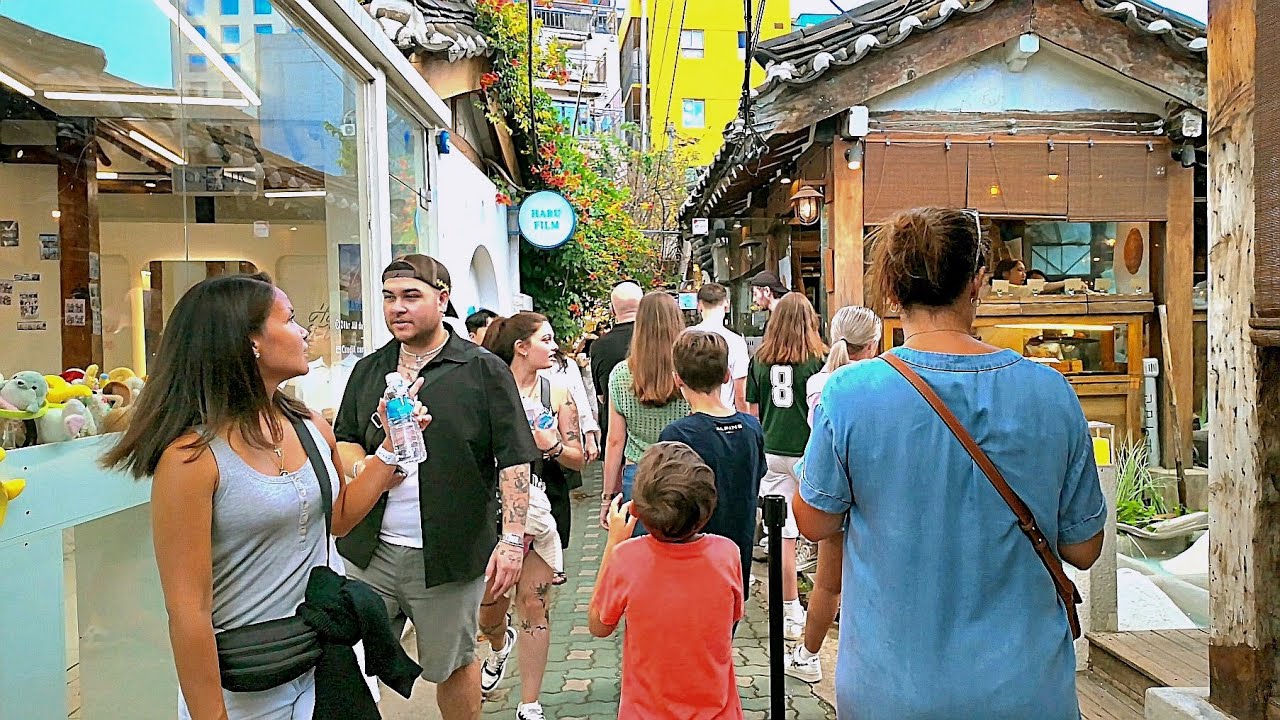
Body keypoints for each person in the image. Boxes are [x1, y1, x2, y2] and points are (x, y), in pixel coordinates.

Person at [795, 207, 1106, 719]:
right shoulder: (1050, 392)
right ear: (978, 282)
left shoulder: (849, 393)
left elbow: (814, 520)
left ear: (891, 289)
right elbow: (1084, 547)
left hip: (891, 688)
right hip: (1026, 689)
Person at [101, 273, 429, 719]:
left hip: (322, 663)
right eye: (290, 319)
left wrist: (391, 448)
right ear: (249, 342)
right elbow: (188, 610)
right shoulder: (191, 458)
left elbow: (339, 518)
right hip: (245, 684)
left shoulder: (310, 426)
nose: (304, 332)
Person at [333, 255, 539, 720]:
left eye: (411, 296)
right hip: (369, 552)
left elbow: (513, 458)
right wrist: (367, 463)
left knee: (452, 665)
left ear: (442, 299)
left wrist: (510, 541)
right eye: (389, 297)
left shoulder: (482, 369)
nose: (397, 308)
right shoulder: (370, 370)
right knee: (353, 664)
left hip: (449, 555)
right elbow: (343, 439)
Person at [477, 313, 586, 720]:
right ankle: (497, 642)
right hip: (490, 509)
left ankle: (530, 703)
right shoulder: (485, 388)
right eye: (547, 338)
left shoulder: (557, 393)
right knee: (489, 606)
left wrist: (553, 446)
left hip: (545, 507)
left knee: (534, 605)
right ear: (521, 346)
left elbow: (579, 458)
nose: (554, 345)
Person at [589, 442, 745, 720]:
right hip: (717, 711)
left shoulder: (626, 558)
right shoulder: (727, 554)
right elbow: (733, 616)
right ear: (708, 508)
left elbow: (599, 625)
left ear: (635, 510)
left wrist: (613, 543)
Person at [783, 306, 881, 684]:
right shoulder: (880, 379)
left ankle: (808, 656)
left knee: (828, 583)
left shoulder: (818, 384)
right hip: (877, 489)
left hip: (833, 488)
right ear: (873, 343)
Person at [659, 330, 765, 597]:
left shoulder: (677, 435)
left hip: (690, 559)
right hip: (736, 557)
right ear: (727, 375)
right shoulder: (751, 428)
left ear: (677, 379)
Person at [746, 292, 827, 641]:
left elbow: (752, 411)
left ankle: (789, 607)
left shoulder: (760, 359)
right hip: (809, 452)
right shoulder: (818, 359)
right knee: (826, 530)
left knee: (784, 534)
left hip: (773, 452)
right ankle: (823, 600)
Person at [601, 291, 691, 528]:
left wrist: (608, 497)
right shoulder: (688, 369)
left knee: (642, 553)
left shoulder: (621, 374)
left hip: (638, 474)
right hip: (684, 469)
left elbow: (614, 441)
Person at [590, 281, 643, 449]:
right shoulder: (658, 341)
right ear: (643, 306)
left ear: (613, 310)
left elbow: (601, 396)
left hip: (615, 436)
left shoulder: (599, 346)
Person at [691, 283, 751, 412]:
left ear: (699, 306)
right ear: (726, 305)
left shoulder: (687, 338)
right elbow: (740, 394)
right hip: (725, 415)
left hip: (693, 415)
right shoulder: (736, 342)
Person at [543, 347, 600, 464]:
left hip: (566, 445)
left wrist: (590, 437)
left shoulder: (566, 365)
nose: (552, 345)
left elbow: (581, 400)